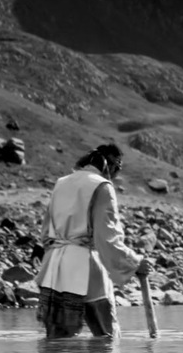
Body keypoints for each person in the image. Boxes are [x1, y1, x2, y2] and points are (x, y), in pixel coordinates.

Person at [35, 143, 152, 338]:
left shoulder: (61, 183)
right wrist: (135, 263)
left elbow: (46, 233)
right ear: (111, 166)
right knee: (106, 335)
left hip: (55, 269)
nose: (115, 176)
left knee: (57, 338)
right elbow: (107, 239)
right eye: (118, 169)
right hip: (87, 268)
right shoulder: (101, 187)